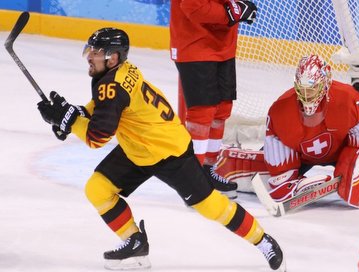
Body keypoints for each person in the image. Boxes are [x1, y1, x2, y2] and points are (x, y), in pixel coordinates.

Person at [36, 27, 285, 271]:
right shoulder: (122, 71)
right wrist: (74, 113)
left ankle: (263, 240)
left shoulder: (112, 86)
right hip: (140, 147)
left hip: (168, 150)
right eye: (90, 50)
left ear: (112, 58)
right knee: (98, 189)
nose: (90, 56)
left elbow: (97, 137)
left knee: (211, 205)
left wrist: (68, 120)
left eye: (96, 52)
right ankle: (135, 242)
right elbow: (103, 107)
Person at [212, 54, 359, 209]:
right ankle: (229, 161)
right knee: (273, 182)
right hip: (302, 157)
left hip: (344, 151)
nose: (307, 96)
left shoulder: (348, 99)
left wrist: (355, 168)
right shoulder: (281, 110)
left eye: (313, 89)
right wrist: (284, 179)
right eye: (303, 89)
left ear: (325, 83)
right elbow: (277, 153)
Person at [169, 0, 258, 199]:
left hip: (223, 47)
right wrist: (230, 13)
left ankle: (208, 171)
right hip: (194, 46)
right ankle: (192, 179)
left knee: (221, 110)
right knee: (202, 113)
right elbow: (192, 6)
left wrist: (238, 8)